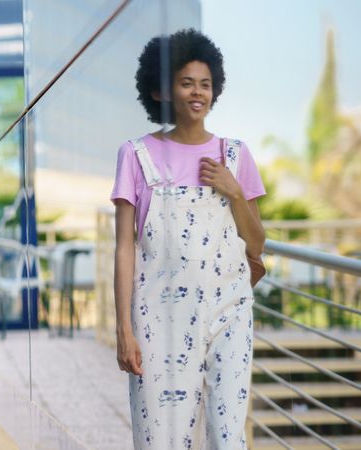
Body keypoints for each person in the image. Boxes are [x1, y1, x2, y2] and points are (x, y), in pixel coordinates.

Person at [111, 29, 266, 449]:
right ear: (163, 91)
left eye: (205, 84)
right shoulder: (136, 154)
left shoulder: (235, 155)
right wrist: (124, 326)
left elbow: (256, 243)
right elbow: (125, 247)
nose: (198, 93)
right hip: (159, 317)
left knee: (228, 436)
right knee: (160, 438)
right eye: (186, 83)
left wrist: (234, 191)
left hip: (229, 311)